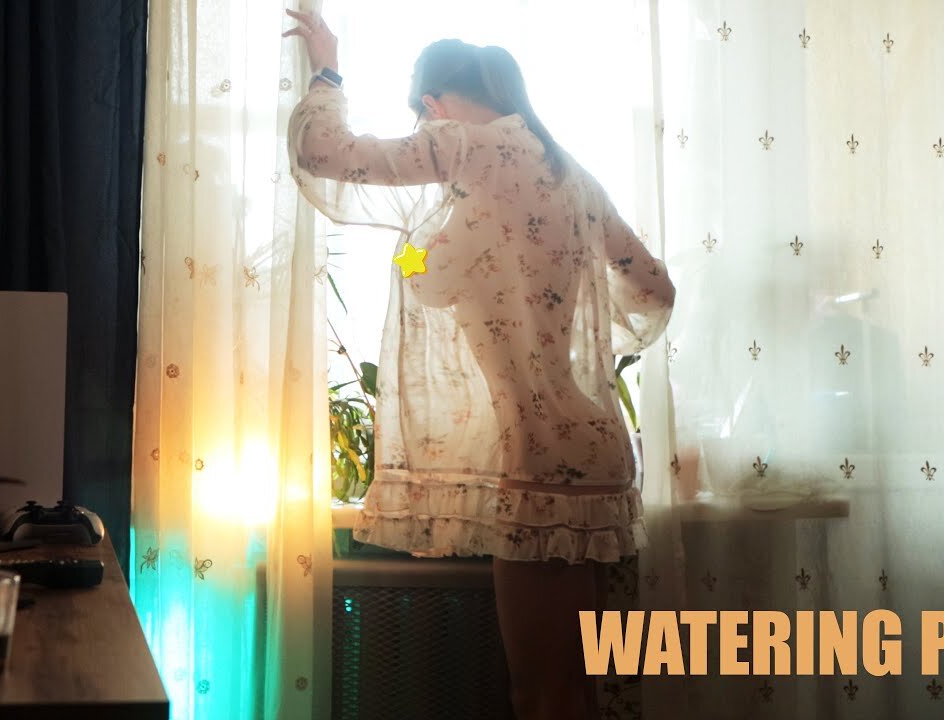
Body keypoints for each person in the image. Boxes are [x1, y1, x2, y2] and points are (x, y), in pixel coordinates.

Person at [284, 10, 675, 719]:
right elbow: (654, 290)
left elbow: (325, 155)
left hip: (532, 457)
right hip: (598, 450)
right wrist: (579, 323)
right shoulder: (571, 173)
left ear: (432, 104)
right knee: (578, 691)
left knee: (536, 692)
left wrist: (328, 67)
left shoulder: (462, 146)